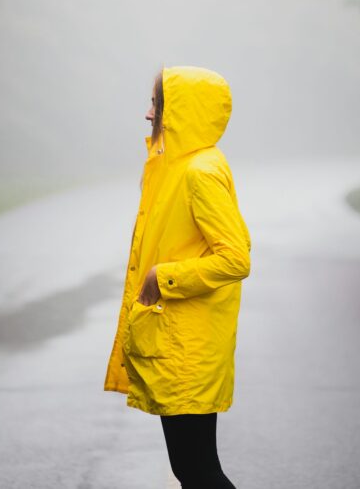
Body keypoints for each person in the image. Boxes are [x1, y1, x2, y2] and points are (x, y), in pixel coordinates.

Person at [104, 65, 251, 489]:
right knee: (192, 470)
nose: (148, 115)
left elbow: (235, 258)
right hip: (178, 341)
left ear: (181, 111)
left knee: (198, 471)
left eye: (157, 104)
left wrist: (162, 279)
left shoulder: (198, 173)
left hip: (189, 347)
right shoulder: (172, 167)